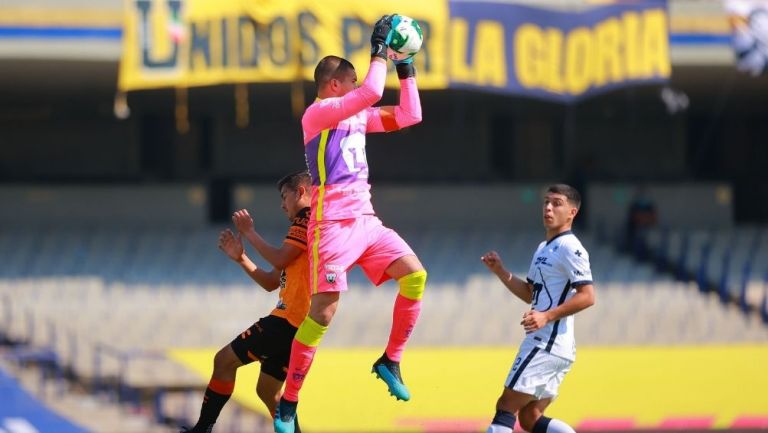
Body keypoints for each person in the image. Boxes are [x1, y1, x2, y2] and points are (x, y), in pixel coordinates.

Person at [273, 14, 426, 433]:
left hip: (366, 220)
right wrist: (380, 50)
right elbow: (372, 91)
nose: (361, 89)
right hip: (332, 225)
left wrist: (405, 65)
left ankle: (391, 359)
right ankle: (289, 402)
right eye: (353, 82)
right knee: (323, 314)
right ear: (335, 85)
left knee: (415, 276)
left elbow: (410, 114)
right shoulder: (317, 114)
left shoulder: (356, 116)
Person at [181, 171, 312, 433]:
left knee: (223, 361)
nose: (282, 204)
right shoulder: (304, 233)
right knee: (268, 390)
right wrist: (242, 258)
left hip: (286, 322)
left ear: (300, 192)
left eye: (284, 196)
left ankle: (202, 429)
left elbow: (279, 259)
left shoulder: (306, 218)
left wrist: (249, 232)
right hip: (299, 326)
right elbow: (271, 281)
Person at [480, 184, 596, 433]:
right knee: (530, 417)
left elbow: (587, 296)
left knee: (506, 406)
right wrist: (500, 271)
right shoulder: (544, 248)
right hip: (555, 346)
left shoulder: (570, 247)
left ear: (572, 212)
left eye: (556, 203)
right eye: (546, 202)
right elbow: (530, 293)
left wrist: (546, 316)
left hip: (547, 343)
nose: (548, 208)